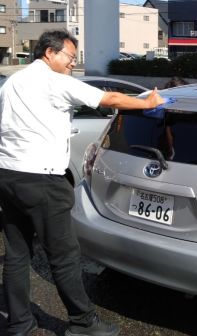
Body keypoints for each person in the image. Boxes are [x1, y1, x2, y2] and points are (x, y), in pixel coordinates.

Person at [0, 30, 165, 336]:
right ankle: (83, 323)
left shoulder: (12, 83)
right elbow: (109, 98)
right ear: (50, 53)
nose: (72, 65)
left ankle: (18, 323)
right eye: (70, 57)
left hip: (8, 175)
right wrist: (149, 101)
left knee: (17, 253)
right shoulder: (54, 81)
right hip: (43, 179)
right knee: (63, 257)